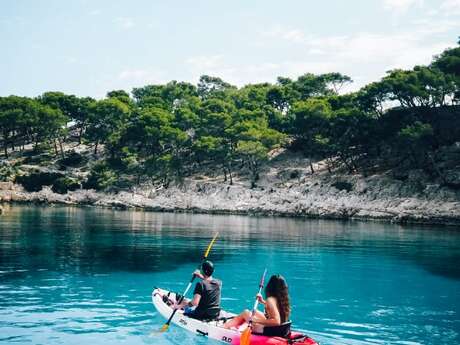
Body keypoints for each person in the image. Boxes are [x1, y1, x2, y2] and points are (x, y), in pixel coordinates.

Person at [223, 274, 291, 335]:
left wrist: (255, 321)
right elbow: (276, 309)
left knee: (246, 313)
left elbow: (276, 321)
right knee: (254, 311)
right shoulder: (282, 298)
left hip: (270, 330)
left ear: (270, 286)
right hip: (280, 329)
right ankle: (232, 325)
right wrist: (263, 302)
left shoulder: (270, 299)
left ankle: (224, 327)